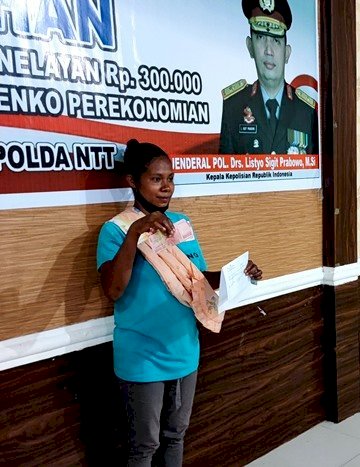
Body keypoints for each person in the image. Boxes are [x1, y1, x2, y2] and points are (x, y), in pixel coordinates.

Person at [96, 139, 262, 465]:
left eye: (170, 178)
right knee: (144, 446)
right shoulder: (115, 231)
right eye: (156, 179)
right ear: (132, 181)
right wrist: (135, 236)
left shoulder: (181, 224)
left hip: (184, 348)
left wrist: (238, 273)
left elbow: (196, 277)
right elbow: (113, 290)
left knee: (176, 435)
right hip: (142, 355)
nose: (166, 187)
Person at [218, 0, 318, 155]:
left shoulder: (306, 111)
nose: (268, 50)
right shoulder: (233, 106)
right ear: (250, 46)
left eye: (276, 41)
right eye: (260, 38)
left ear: (287, 53)